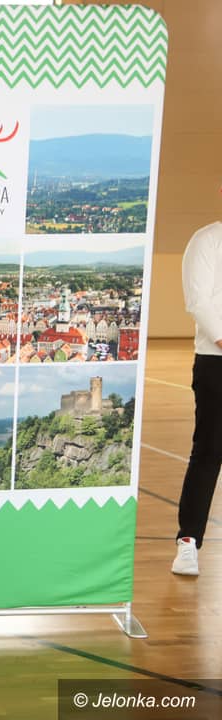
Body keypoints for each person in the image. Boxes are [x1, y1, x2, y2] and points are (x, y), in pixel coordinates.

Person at [173, 216, 222, 576]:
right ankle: (188, 542)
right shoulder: (206, 240)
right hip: (215, 361)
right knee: (209, 451)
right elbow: (198, 301)